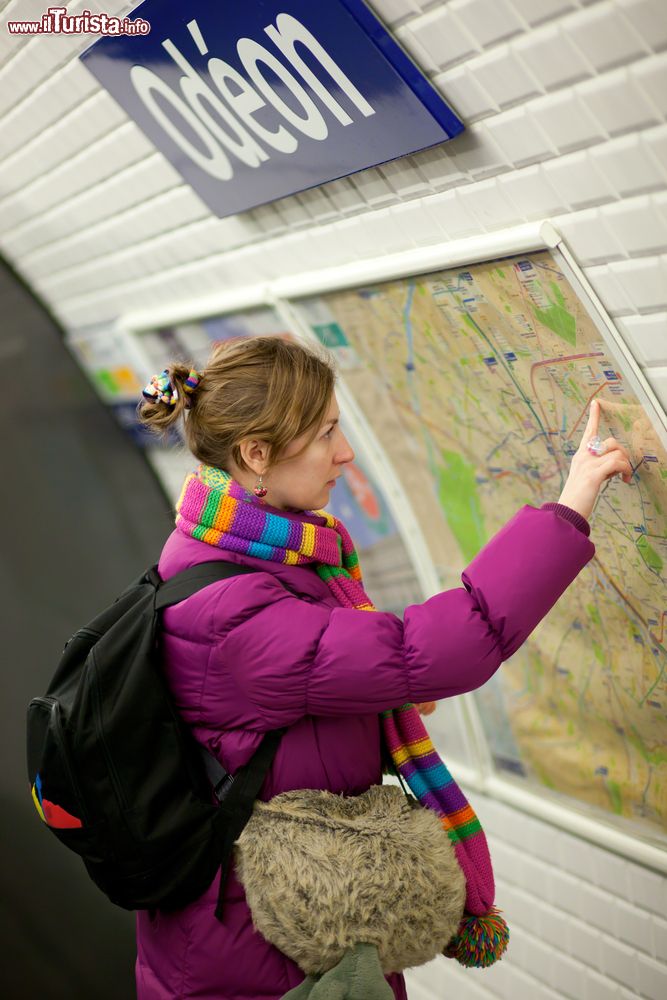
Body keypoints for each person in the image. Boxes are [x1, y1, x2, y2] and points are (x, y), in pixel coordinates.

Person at [135, 335, 633, 1000]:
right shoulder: (234, 606)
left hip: (278, 920)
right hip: (259, 961)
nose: (344, 453)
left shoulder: (232, 548)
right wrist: (569, 506)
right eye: (325, 433)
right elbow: (432, 649)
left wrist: (365, 703)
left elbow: (299, 697)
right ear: (256, 455)